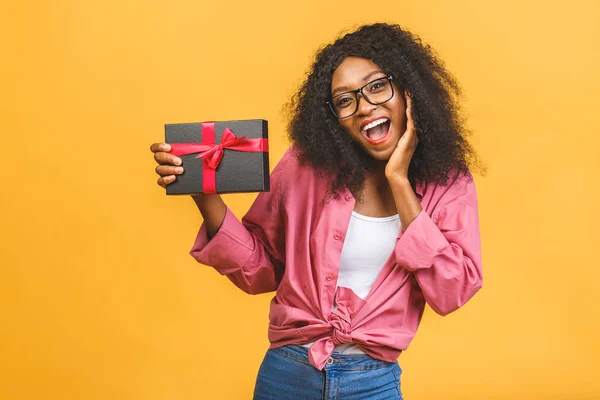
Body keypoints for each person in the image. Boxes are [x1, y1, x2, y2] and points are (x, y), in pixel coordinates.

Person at [150, 23, 484, 400]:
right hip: (286, 375)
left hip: (373, 382)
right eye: (345, 100)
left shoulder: (449, 182)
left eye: (377, 86)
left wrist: (400, 183)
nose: (364, 107)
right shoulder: (303, 166)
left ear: (409, 89)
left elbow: (452, 291)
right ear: (333, 119)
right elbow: (260, 272)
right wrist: (204, 194)